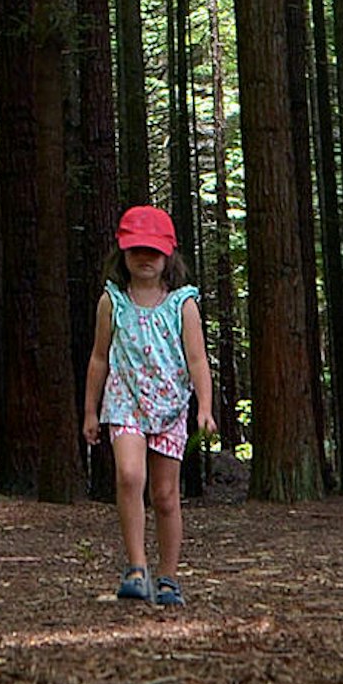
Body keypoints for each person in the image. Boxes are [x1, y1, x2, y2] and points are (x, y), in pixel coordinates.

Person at [84, 204, 213, 608]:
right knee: (128, 474)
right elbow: (99, 358)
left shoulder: (182, 304)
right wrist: (90, 410)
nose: (145, 258)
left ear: (168, 254)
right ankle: (137, 567)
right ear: (122, 252)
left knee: (165, 494)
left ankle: (169, 575)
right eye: (136, 249)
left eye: (153, 251)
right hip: (124, 400)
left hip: (171, 406)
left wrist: (204, 408)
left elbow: (197, 360)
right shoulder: (112, 302)